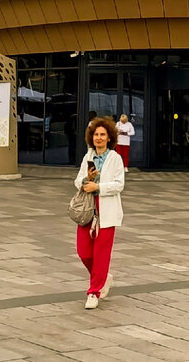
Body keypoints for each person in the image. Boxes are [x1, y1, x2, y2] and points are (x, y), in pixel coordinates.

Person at [75, 117, 126, 309]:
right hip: (87, 210)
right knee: (84, 252)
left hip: (107, 210)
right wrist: (84, 182)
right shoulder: (88, 157)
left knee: (101, 254)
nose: (99, 138)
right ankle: (103, 276)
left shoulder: (115, 158)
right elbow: (77, 180)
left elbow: (119, 184)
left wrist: (99, 186)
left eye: (102, 135)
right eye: (96, 134)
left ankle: (93, 292)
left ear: (109, 137)